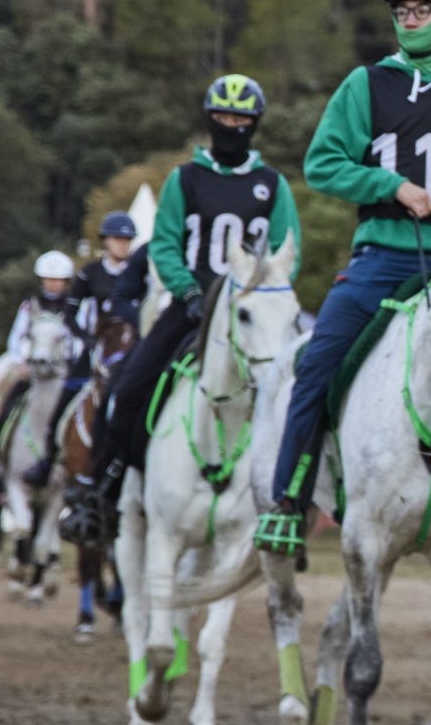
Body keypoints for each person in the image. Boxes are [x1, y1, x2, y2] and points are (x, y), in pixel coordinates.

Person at [250, 0, 431, 555]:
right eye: (402, 11)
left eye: (421, 10)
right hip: (381, 259)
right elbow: (323, 162)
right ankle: (288, 499)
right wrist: (390, 186)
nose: (410, 20)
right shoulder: (366, 84)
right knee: (318, 362)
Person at [61, 75, 300, 544]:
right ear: (211, 120)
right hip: (191, 307)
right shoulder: (184, 179)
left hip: (250, 310)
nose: (232, 126)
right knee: (126, 389)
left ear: (254, 124)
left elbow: (287, 249)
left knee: (300, 388)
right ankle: (99, 488)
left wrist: (267, 294)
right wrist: (188, 292)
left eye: (241, 119)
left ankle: (294, 498)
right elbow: (165, 245)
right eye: (224, 118)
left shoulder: (272, 185)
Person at [29, 211, 147, 487]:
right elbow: (70, 314)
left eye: (128, 239)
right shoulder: (89, 274)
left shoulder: (139, 271)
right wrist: (87, 339)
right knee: (65, 400)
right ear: (105, 240)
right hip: (96, 347)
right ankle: (48, 460)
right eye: (117, 239)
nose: (123, 244)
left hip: (131, 345)